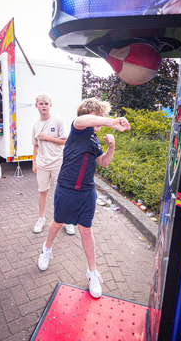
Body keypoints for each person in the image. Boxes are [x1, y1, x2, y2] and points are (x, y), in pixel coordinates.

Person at [38, 97, 131, 298]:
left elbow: (103, 162)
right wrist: (113, 121)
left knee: (86, 231)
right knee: (57, 222)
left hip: (87, 191)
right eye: (99, 117)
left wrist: (111, 148)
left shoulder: (93, 139)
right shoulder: (79, 129)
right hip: (67, 188)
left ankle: (92, 273)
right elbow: (82, 121)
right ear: (90, 117)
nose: (103, 120)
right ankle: (46, 249)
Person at [32, 91, 75, 235]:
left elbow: (65, 141)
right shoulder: (35, 124)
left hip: (58, 162)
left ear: (50, 105)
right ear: (36, 106)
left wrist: (47, 137)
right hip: (42, 163)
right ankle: (41, 219)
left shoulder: (58, 120)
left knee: (61, 192)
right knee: (42, 192)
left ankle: (66, 220)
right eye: (41, 104)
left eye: (46, 104)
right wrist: (34, 163)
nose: (44, 106)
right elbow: (36, 145)